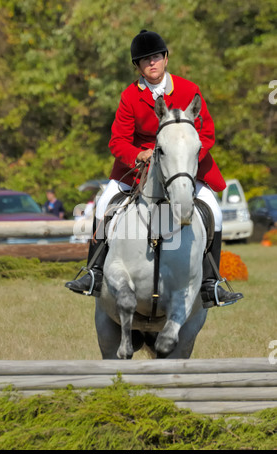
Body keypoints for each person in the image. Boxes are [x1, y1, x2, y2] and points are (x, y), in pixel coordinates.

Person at [65, 30, 243, 308]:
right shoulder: (129, 97)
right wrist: (139, 155)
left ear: (166, 58)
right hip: (140, 168)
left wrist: (184, 157)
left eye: (157, 57)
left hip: (184, 167)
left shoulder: (188, 90)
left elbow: (206, 132)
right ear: (137, 66)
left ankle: (211, 283)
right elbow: (118, 141)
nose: (152, 63)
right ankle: (94, 273)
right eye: (145, 60)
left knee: (216, 213)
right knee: (102, 207)